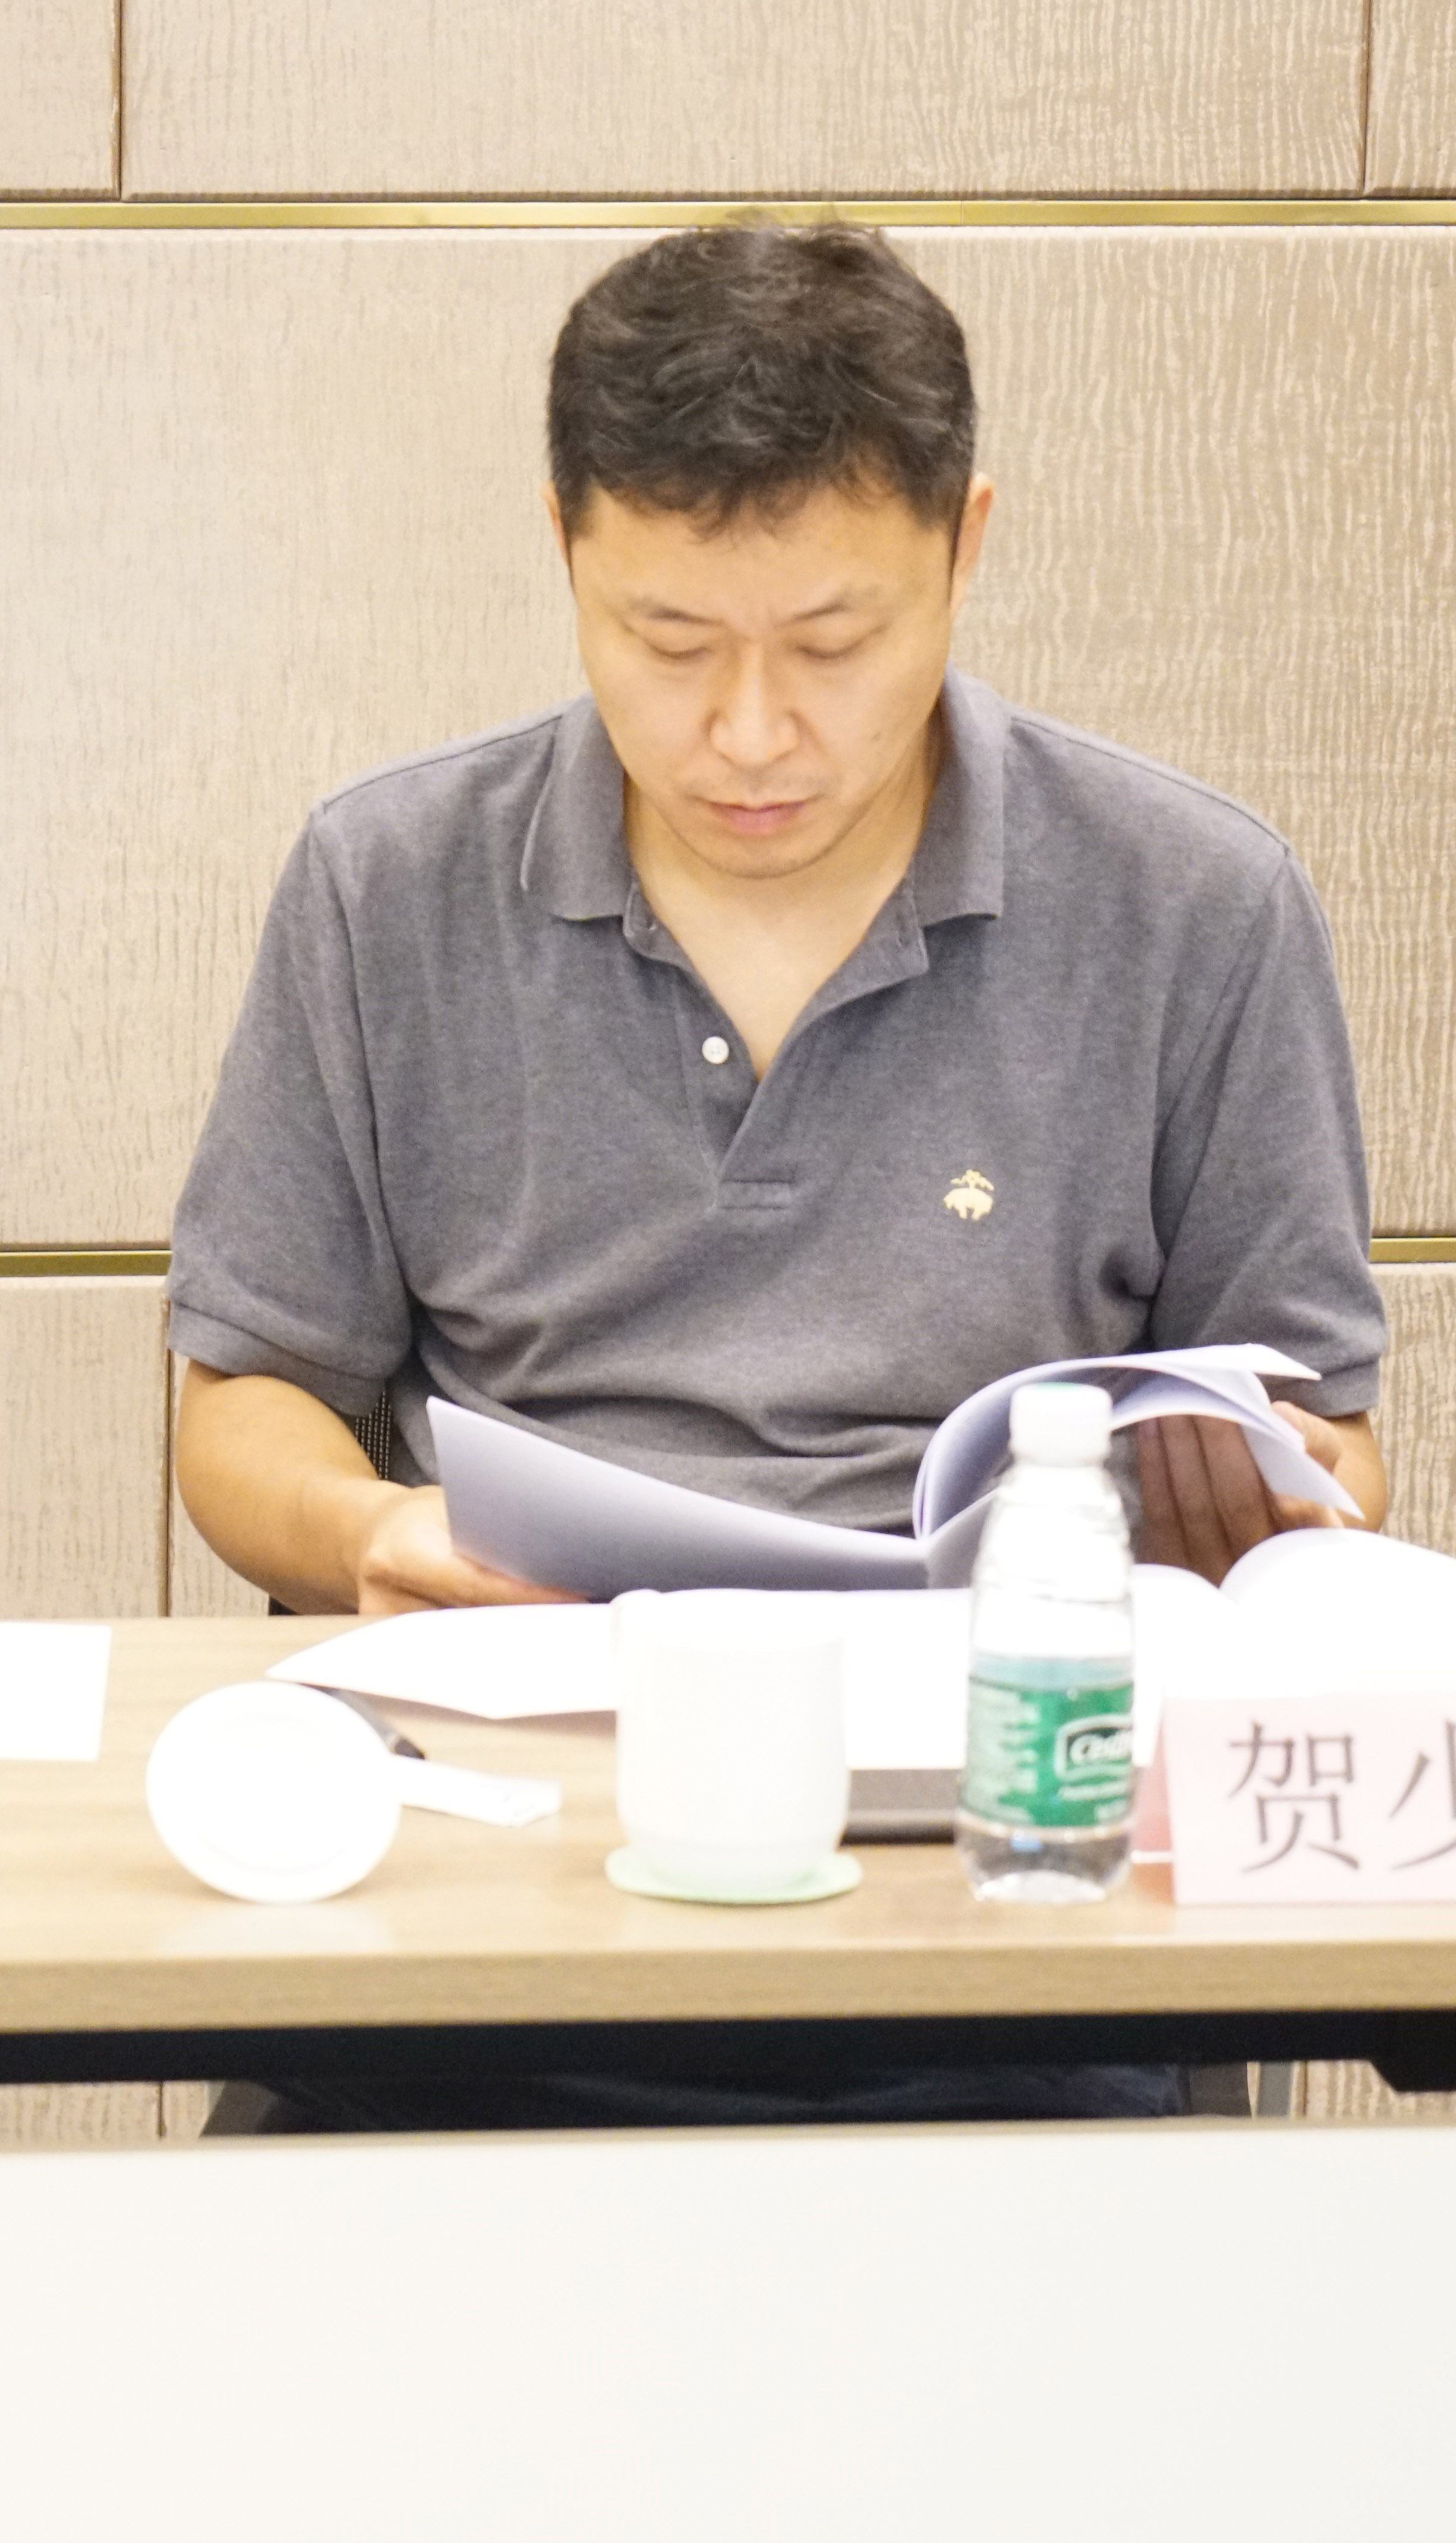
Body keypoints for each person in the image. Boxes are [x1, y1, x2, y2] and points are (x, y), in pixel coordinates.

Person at [167, 223, 1391, 2129]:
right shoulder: (385, 886)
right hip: (502, 1880)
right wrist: (365, 1532)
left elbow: (1334, 1457)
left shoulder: (1193, 907)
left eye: (834, 646)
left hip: (1010, 1923)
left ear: (966, 550)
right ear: (566, 550)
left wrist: (1253, 1506)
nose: (748, 734)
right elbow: (242, 1408)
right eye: (668, 645)